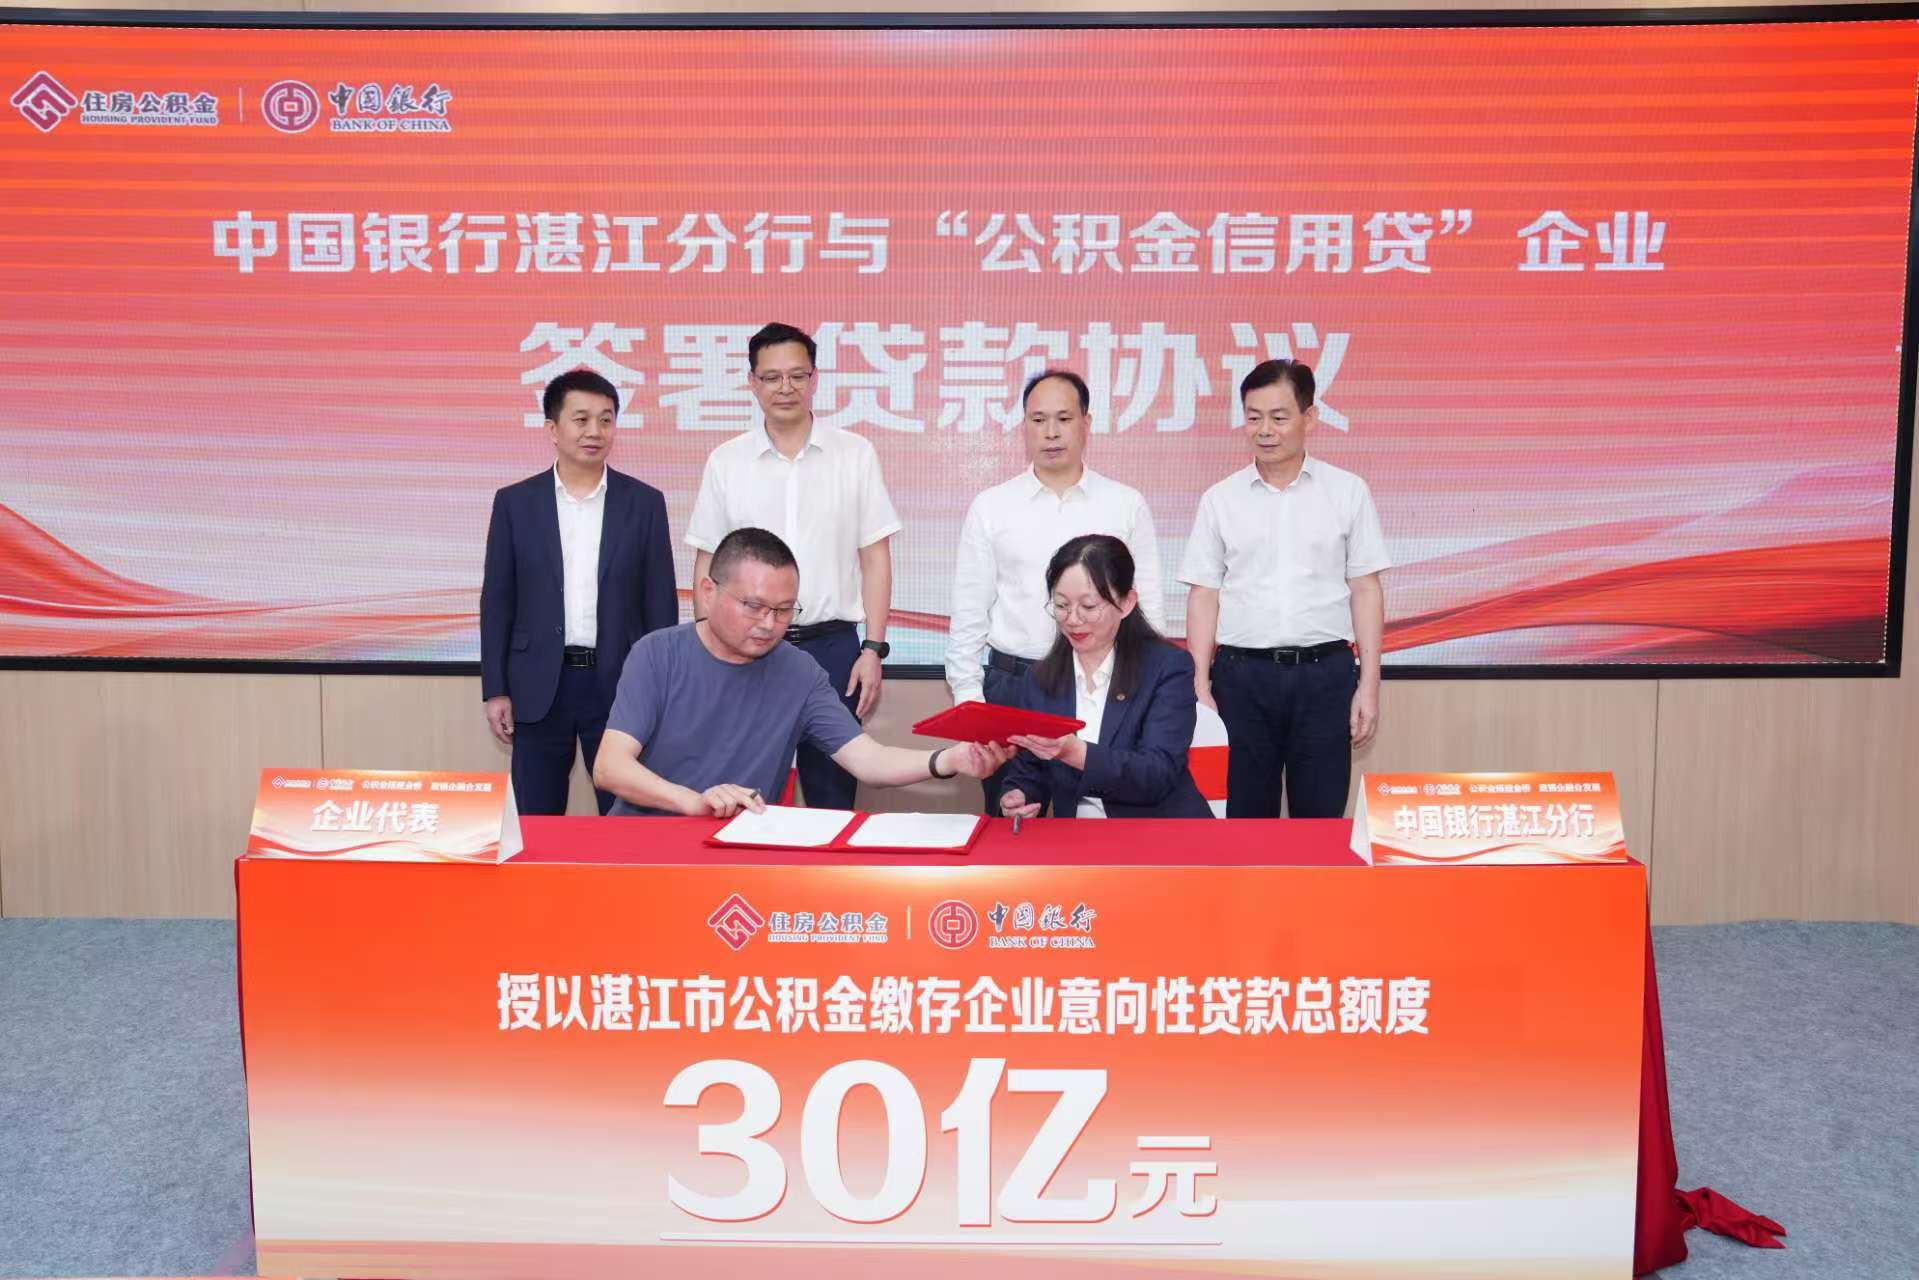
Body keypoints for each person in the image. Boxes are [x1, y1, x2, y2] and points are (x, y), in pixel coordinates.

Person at [594, 528, 1009, 817]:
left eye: (783, 610)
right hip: (648, 842)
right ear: (708, 591)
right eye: (754, 606)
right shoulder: (657, 654)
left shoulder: (798, 671)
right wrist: (692, 802)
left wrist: (950, 759)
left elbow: (869, 760)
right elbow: (610, 766)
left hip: (742, 846)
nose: (768, 624)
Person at [684, 322, 900, 810]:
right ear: (752, 383)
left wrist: (873, 648)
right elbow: (706, 564)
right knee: (743, 791)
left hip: (832, 648)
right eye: (772, 377)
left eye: (797, 376)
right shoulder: (727, 461)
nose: (786, 388)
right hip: (745, 648)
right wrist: (707, 648)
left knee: (833, 794)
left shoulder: (854, 454)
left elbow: (875, 558)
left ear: (814, 378)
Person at [946, 369, 1165, 815]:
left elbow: (1149, 607)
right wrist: (970, 702)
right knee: (1012, 815)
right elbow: (969, 613)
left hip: (1104, 685)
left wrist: (1150, 688)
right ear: (1023, 426)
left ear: (1086, 423)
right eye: (1038, 419)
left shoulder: (1125, 504)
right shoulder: (992, 506)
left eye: (1063, 419)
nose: (1051, 432)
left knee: (1102, 819)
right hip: (1014, 685)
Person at [1178, 358, 1389, 819]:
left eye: (1279, 417)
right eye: (1253, 417)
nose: (1265, 431)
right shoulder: (1221, 499)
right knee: (1244, 819)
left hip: (1325, 675)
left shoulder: (1347, 491)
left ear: (1309, 418)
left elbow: (1366, 590)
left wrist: (1369, 685)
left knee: (1320, 817)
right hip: (1241, 679)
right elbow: (1204, 594)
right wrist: (1199, 684)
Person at [480, 369, 678, 815]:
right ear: (552, 429)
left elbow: (659, 604)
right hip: (537, 686)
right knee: (536, 818)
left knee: (627, 815)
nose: (595, 431)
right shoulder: (515, 503)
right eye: (581, 419)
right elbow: (497, 602)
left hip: (621, 684)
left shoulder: (645, 503)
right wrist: (496, 689)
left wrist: (661, 689)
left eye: (606, 420)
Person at [998, 535, 1212, 821]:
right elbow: (1031, 767)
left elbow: (1157, 773)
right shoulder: (1040, 678)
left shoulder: (1167, 668)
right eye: (1061, 605)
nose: (1073, 619)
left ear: (1126, 603)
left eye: (1088, 606)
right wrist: (1020, 795)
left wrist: (1077, 753)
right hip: (1078, 837)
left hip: (1158, 831)